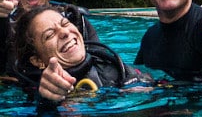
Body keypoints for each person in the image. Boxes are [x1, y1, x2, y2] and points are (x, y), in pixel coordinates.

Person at [11, 5, 149, 103]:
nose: (65, 32)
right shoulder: (30, 96)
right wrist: (48, 103)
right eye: (49, 35)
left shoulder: (115, 69)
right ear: (37, 61)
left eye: (65, 24)